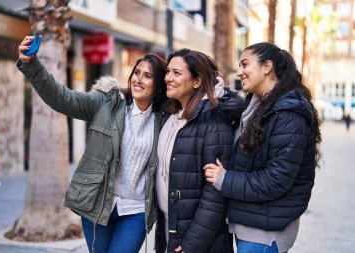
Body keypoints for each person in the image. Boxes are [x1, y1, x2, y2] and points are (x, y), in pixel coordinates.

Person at [17, 36, 167, 253]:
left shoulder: (165, 120)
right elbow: (63, 98)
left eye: (148, 76)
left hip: (135, 210)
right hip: (97, 204)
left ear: (158, 84)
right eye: (136, 73)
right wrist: (32, 65)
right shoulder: (107, 104)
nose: (138, 80)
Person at [203, 42, 322, 253]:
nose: (239, 72)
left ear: (267, 67)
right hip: (251, 224)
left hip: (265, 233)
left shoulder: (287, 115)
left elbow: (276, 179)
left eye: (245, 64)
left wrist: (224, 179)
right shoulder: (256, 106)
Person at [155, 48, 245, 253]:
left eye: (177, 73)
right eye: (168, 72)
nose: (168, 78)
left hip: (200, 241)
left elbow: (214, 195)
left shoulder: (215, 121)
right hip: (172, 228)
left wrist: (190, 246)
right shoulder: (172, 116)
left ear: (197, 81)